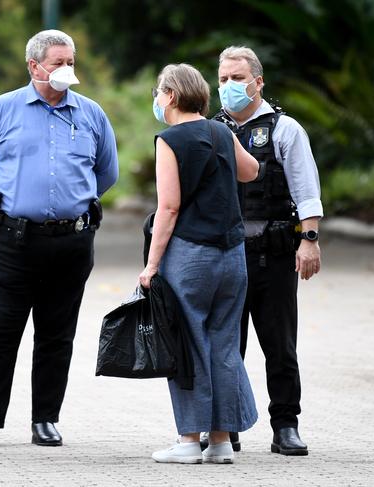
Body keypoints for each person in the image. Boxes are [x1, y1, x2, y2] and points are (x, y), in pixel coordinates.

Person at [0, 29, 118, 448]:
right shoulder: (3, 110)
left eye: (71, 61)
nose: (67, 69)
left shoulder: (90, 114)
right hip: (14, 240)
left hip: (71, 242)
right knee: (1, 330)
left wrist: (72, 201)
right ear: (34, 66)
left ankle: (45, 418)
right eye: (58, 62)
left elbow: (106, 172)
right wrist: (1, 199)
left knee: (56, 333)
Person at [139, 63, 260, 464]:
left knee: (188, 344)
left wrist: (152, 265)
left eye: (159, 92)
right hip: (232, 254)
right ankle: (222, 441)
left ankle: (190, 441)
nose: (157, 99)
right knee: (225, 345)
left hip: (191, 256)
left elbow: (168, 208)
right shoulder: (220, 131)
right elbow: (251, 170)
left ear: (171, 96)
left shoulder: (170, 139)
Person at [211, 46, 323, 456]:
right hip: (223, 257)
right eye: (222, 79)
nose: (228, 87)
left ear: (258, 82)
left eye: (237, 79)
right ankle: (225, 427)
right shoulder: (210, 130)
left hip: (272, 255)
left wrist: (308, 241)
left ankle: (285, 425)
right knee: (224, 346)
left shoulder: (284, 129)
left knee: (279, 344)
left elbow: (305, 190)